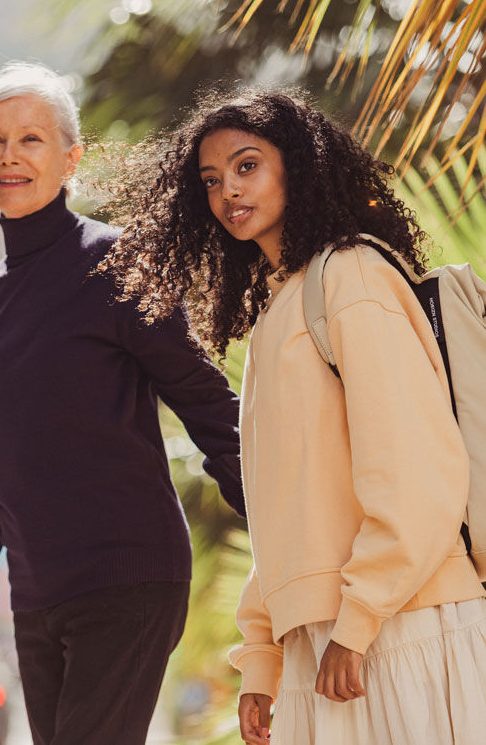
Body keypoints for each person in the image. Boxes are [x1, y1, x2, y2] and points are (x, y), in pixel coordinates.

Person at [99, 90, 486, 744]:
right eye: (212, 181)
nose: (228, 193)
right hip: (336, 644)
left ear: (299, 166)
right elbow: (287, 512)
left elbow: (414, 465)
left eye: (247, 166)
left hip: (404, 627)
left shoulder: (352, 277)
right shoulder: (280, 311)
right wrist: (261, 660)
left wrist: (359, 617)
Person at [0, 62, 245, 745]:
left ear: (70, 157)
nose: (10, 156)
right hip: (37, 597)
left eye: (31, 139)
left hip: (129, 575)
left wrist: (291, 537)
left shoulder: (119, 265)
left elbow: (212, 410)